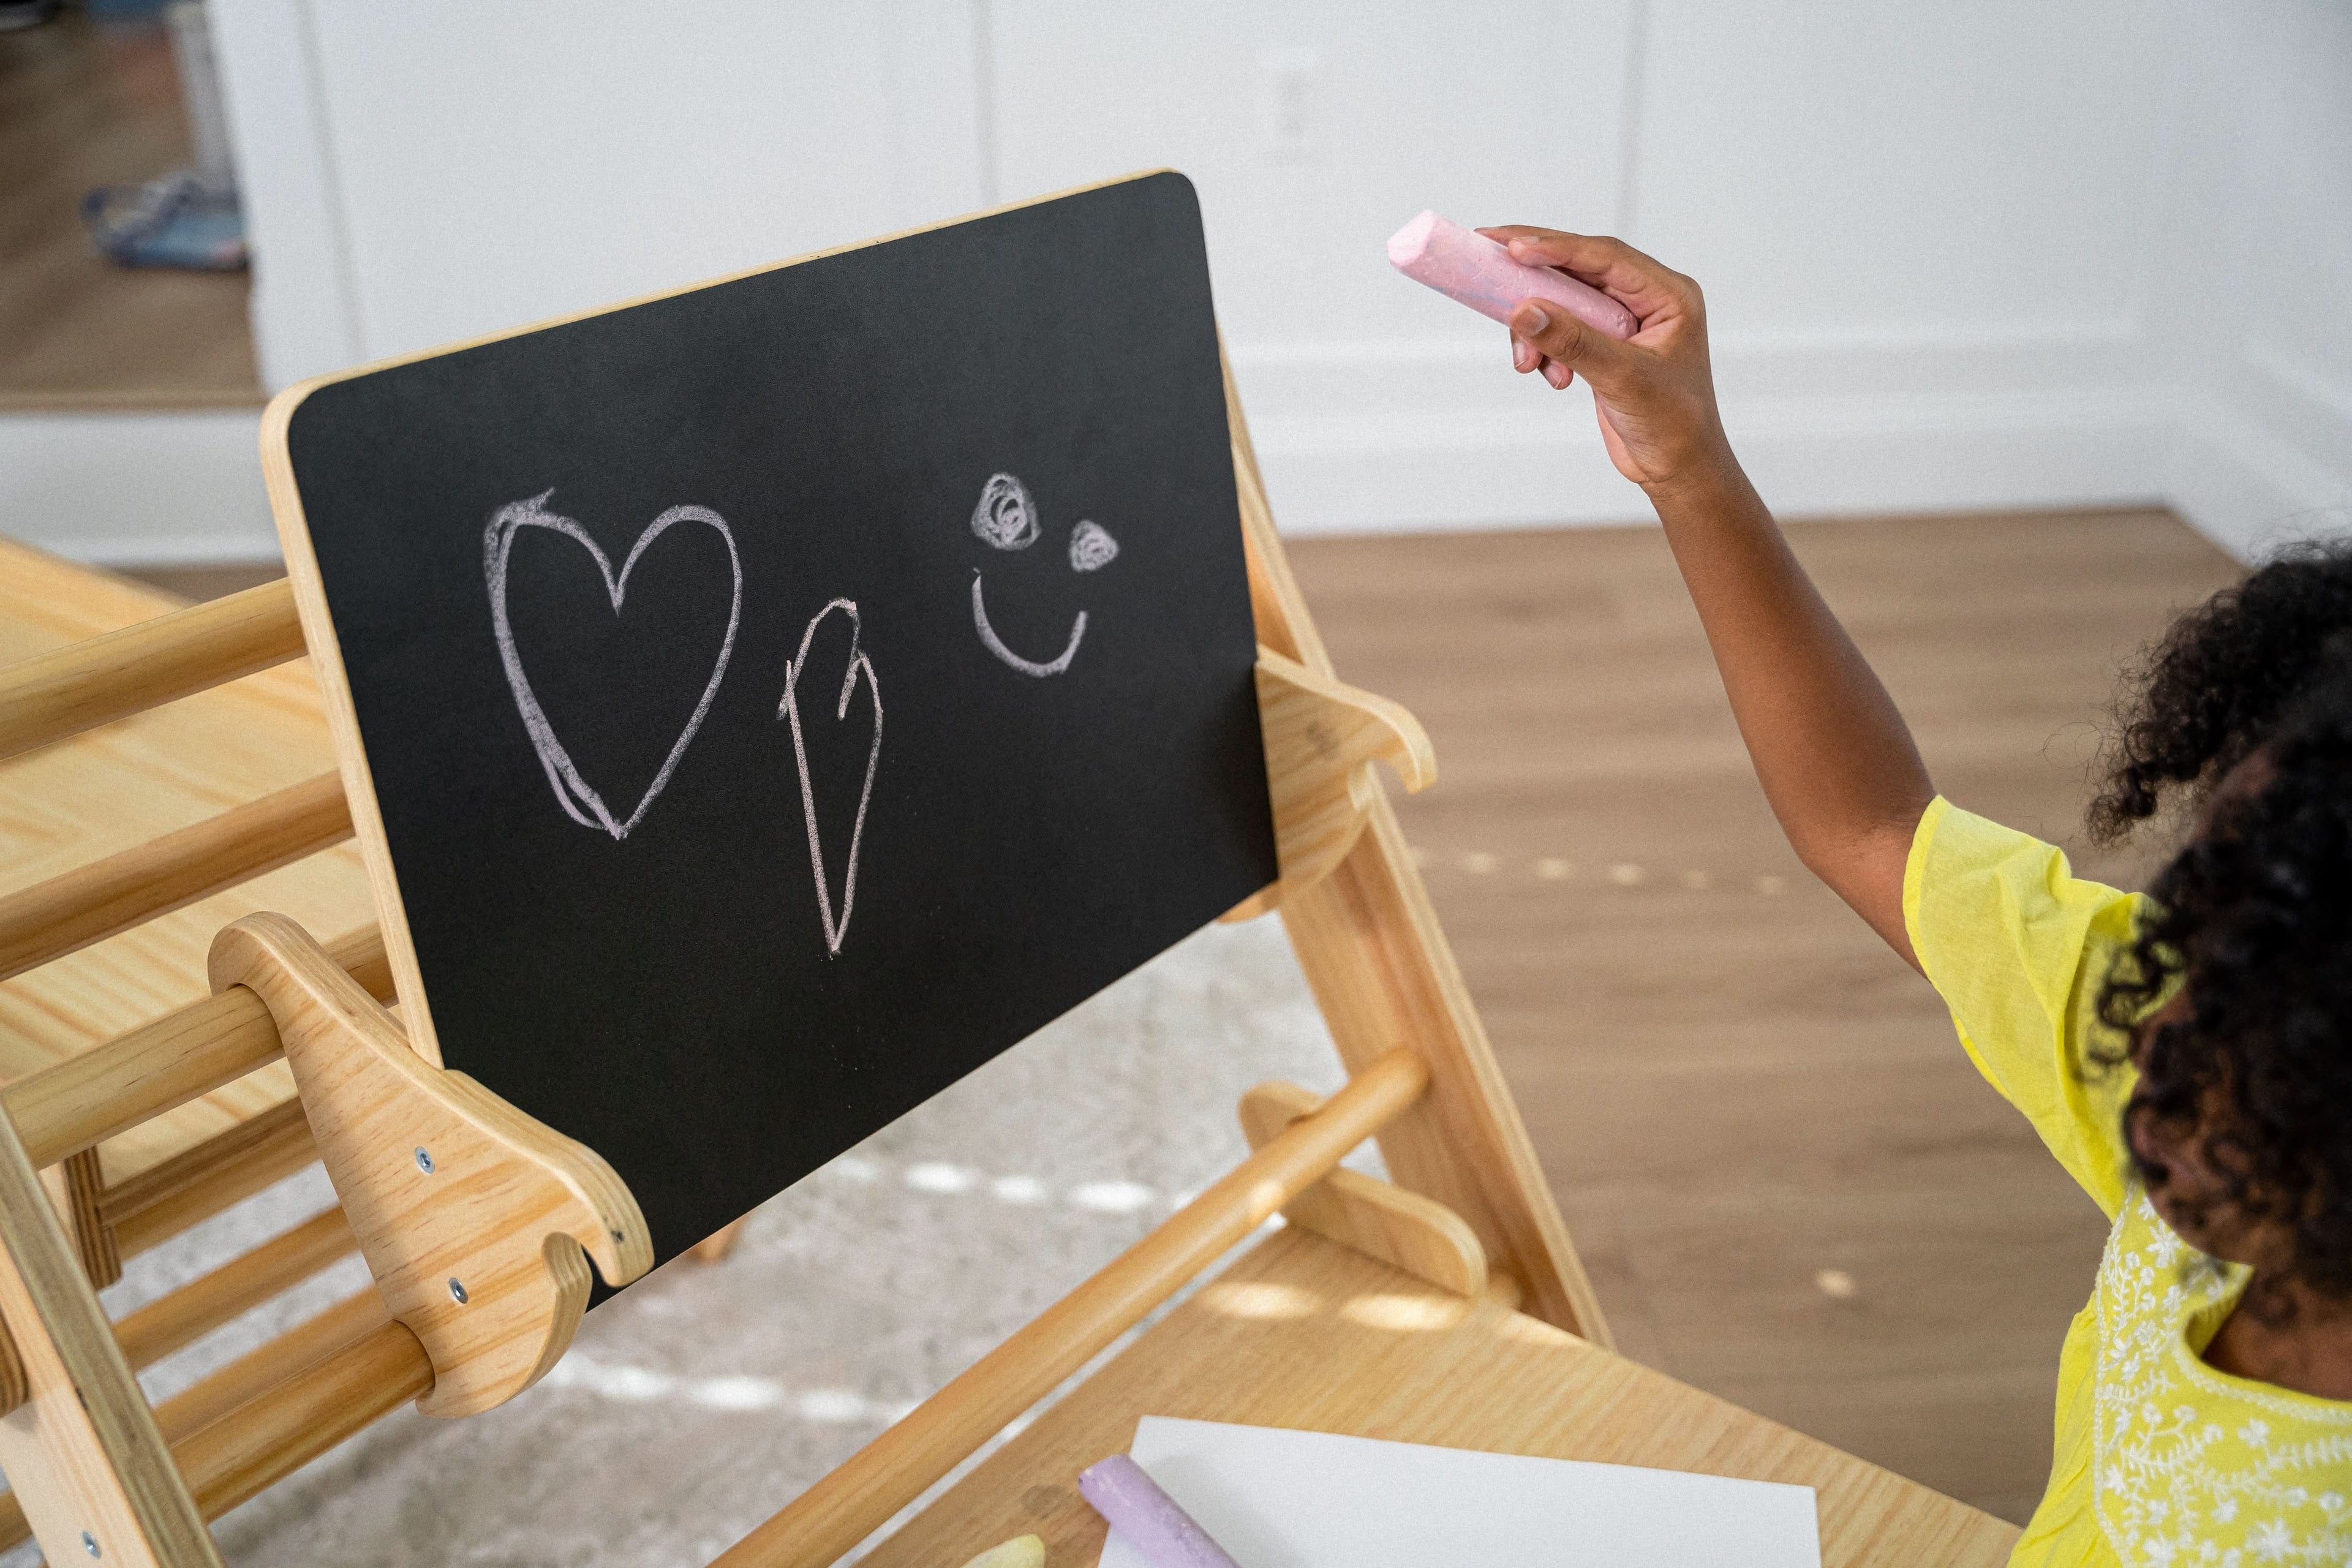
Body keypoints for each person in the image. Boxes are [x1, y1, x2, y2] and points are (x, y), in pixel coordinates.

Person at [1481, 224, 2352, 1564]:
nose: (2161, 1042)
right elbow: (1870, 824)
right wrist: (1688, 461)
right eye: (2201, 937)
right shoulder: (2179, 1064)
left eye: (2268, 1040)